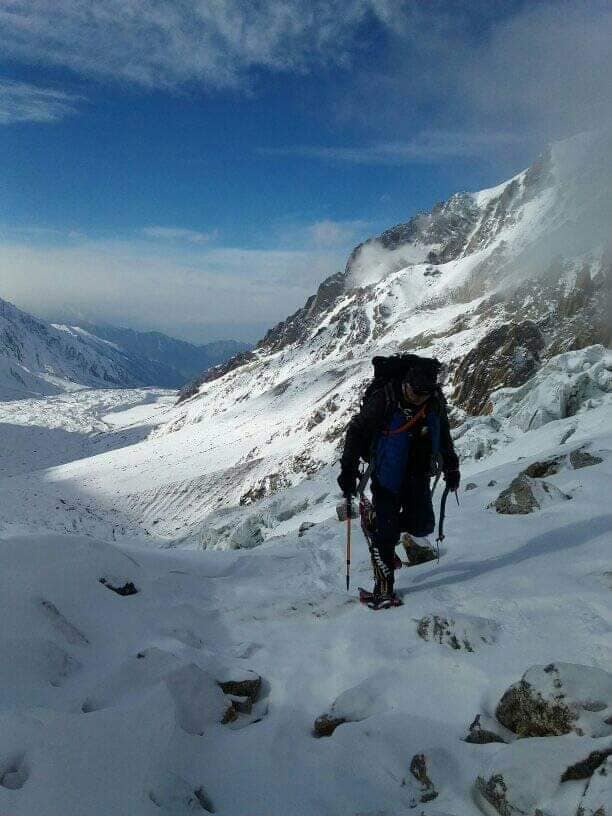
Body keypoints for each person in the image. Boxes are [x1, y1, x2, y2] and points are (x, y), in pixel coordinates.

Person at [338, 356, 460, 609]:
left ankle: (374, 521)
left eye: (425, 393)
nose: (419, 398)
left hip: (418, 474)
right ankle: (384, 589)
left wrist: (452, 465)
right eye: (416, 392)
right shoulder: (385, 399)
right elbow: (357, 431)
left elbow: (444, 434)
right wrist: (348, 469)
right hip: (387, 475)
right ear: (406, 383)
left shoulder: (434, 401)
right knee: (387, 533)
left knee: (423, 525)